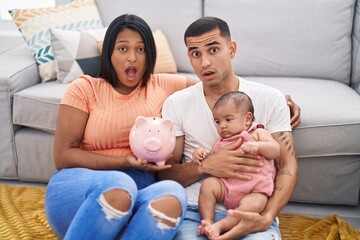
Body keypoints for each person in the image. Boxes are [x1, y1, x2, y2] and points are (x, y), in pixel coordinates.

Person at [45, 14, 198, 239]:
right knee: (120, 182)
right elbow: (63, 156)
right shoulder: (84, 88)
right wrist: (122, 162)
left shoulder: (162, 85)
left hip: (139, 194)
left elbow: (214, 88)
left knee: (173, 194)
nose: (132, 58)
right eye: (123, 49)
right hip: (80, 190)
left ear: (149, 55)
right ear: (109, 53)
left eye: (141, 49)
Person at [159, 16, 299, 239]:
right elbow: (166, 175)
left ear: (231, 49)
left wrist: (267, 216)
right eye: (196, 54)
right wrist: (204, 166)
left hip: (253, 211)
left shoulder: (270, 98)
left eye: (213, 50)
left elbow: (287, 166)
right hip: (196, 212)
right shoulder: (176, 103)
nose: (204, 62)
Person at [192, 91, 280, 238]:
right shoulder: (220, 142)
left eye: (228, 119)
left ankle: (221, 226)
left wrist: (258, 146)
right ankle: (207, 220)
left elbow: (275, 150)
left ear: (247, 119)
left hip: (253, 190)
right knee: (208, 185)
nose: (222, 126)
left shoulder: (257, 133)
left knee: (256, 204)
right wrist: (200, 155)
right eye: (218, 122)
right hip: (226, 187)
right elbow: (213, 162)